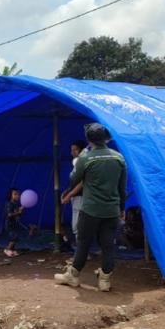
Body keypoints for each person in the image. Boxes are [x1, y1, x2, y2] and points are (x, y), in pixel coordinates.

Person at [55, 124, 126, 292]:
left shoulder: (86, 158)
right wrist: (121, 208)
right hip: (111, 210)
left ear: (88, 140)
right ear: (105, 138)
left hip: (90, 210)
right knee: (108, 245)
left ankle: (73, 276)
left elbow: (73, 179)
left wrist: (81, 158)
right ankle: (105, 281)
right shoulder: (118, 158)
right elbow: (122, 188)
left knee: (83, 243)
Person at [61, 140, 87, 243]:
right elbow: (75, 182)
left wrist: (69, 195)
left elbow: (83, 182)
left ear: (81, 150)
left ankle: (81, 253)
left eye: (75, 150)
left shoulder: (84, 163)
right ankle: (81, 252)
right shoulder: (76, 165)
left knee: (78, 226)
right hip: (76, 197)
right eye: (71, 150)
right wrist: (67, 191)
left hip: (81, 197)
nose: (72, 153)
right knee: (77, 225)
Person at [3, 188, 25, 258]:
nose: (17, 196)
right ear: (10, 195)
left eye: (18, 194)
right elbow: (9, 215)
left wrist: (21, 211)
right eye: (15, 194)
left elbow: (19, 214)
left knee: (16, 237)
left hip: (15, 223)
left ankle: (12, 250)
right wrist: (18, 212)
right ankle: (7, 249)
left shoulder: (16, 204)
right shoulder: (9, 204)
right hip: (10, 224)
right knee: (13, 237)